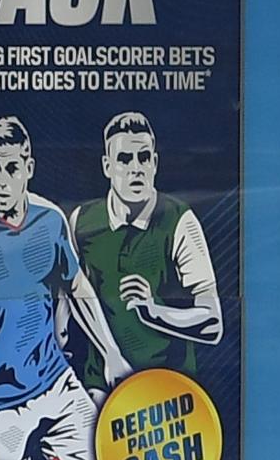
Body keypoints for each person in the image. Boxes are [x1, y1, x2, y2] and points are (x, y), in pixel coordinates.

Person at [0, 114, 129, 460]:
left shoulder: (50, 219)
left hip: (55, 382)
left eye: (12, 168)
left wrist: (111, 352)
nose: (2, 180)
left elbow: (77, 286)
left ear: (28, 168)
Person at [68, 111, 223, 384]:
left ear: (155, 163)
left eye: (143, 158)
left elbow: (213, 323)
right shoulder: (81, 221)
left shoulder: (179, 220)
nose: (135, 168)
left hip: (168, 387)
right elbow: (69, 296)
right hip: (103, 384)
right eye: (124, 159)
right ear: (107, 166)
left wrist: (155, 312)